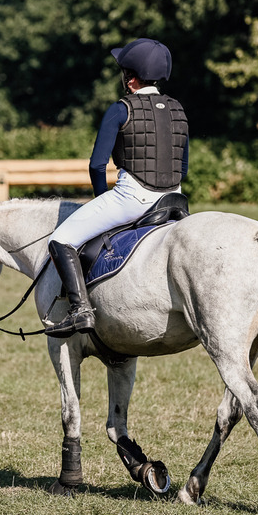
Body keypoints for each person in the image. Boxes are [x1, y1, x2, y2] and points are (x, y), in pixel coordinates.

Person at [44, 38, 189, 338]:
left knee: (61, 239)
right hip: (175, 200)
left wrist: (102, 201)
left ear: (131, 78)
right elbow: (183, 167)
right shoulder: (178, 110)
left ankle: (80, 310)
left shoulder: (120, 109)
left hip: (134, 197)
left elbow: (97, 165)